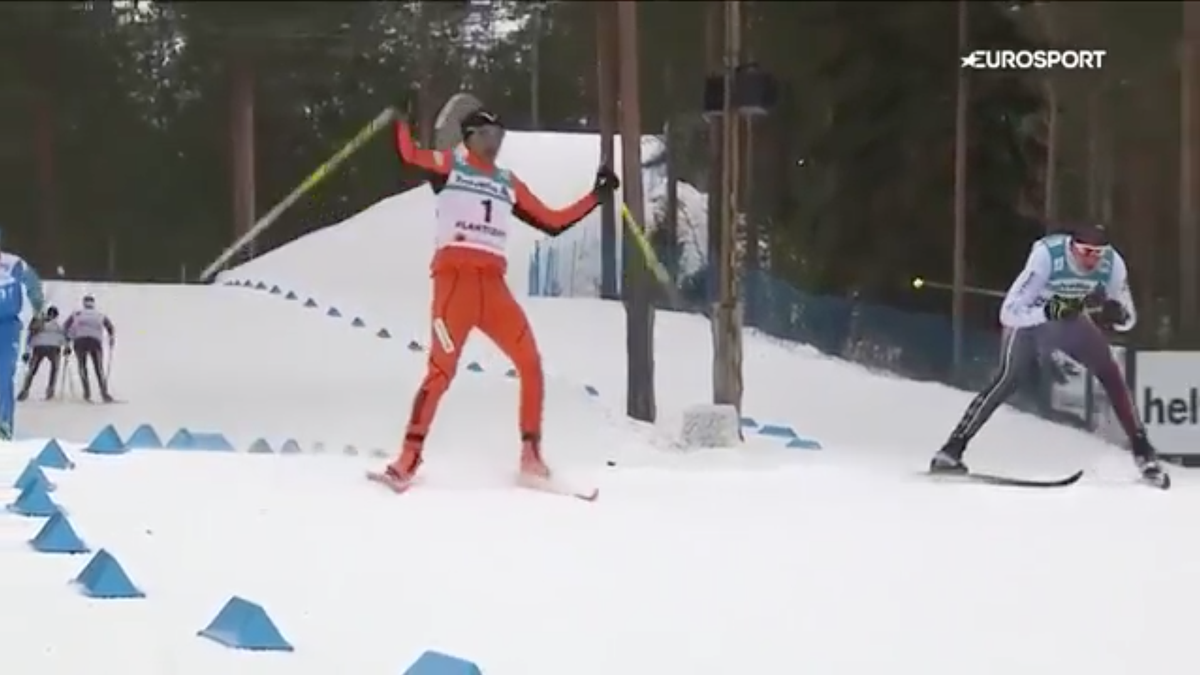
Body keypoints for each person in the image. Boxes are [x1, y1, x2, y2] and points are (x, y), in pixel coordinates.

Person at [373, 107, 619, 491]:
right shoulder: (450, 164)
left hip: (493, 288)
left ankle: (531, 456)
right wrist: (400, 122)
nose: (495, 142)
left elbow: (552, 221)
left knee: (530, 363)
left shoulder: (507, 182)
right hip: (455, 284)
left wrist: (596, 197)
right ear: (469, 135)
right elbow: (409, 155)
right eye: (487, 134)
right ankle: (407, 458)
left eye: (500, 135)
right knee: (440, 373)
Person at [930, 224, 1170, 488]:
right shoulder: (1047, 256)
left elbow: (1128, 317)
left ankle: (1144, 455)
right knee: (1009, 379)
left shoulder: (1113, 265)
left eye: (1097, 253)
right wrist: (1049, 312)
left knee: (1111, 373)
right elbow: (1009, 313)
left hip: (1071, 318)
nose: (1091, 259)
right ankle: (952, 449)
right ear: (1071, 247)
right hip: (1031, 319)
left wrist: (1118, 317)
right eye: (1085, 252)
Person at [0, 235, 45, 439]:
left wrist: (38, 310)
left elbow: (33, 283)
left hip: (7, 325)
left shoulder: (13, 262)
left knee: (3, 374)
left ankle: (3, 423)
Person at [64, 294, 116, 403]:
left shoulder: (76, 314)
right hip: (95, 342)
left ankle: (86, 393)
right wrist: (111, 339)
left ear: (84, 303)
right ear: (93, 303)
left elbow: (66, 326)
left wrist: (67, 341)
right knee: (98, 368)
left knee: (82, 367)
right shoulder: (100, 315)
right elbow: (110, 327)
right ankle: (104, 393)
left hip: (80, 341)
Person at [18, 305, 66, 401]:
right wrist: (67, 347)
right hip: (53, 348)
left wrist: (27, 351)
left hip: (39, 347)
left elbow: (30, 336)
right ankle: (50, 391)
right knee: (54, 369)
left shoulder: (38, 323)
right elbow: (64, 337)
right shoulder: (57, 325)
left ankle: (25, 390)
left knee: (32, 370)